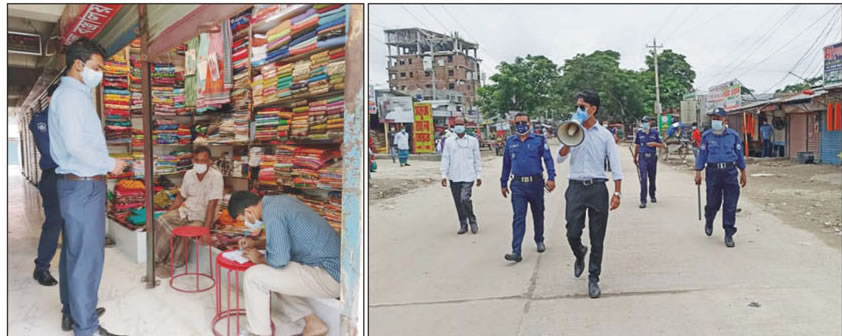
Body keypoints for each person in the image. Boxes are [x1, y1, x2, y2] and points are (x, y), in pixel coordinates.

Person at [49, 37, 127, 336]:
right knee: (88, 259)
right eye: (97, 67)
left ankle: (74, 313)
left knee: (75, 253)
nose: (100, 73)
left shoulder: (74, 95)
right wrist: (111, 164)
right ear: (79, 65)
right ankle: (87, 328)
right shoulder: (70, 98)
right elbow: (76, 146)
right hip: (82, 187)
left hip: (78, 186)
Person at [228, 191, 340, 336]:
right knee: (271, 273)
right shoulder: (278, 203)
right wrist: (255, 243)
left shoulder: (272, 212)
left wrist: (258, 258)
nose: (246, 224)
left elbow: (279, 260)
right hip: (331, 271)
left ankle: (258, 333)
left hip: (329, 276)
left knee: (254, 276)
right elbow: (282, 244)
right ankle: (314, 324)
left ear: (248, 211)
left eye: (243, 219)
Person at [556, 90, 623, 299]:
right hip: (576, 187)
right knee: (572, 231)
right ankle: (579, 252)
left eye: (582, 107)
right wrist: (571, 133)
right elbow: (560, 158)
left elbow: (615, 164)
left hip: (597, 188)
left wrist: (617, 192)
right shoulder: (571, 130)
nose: (579, 110)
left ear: (593, 109)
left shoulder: (604, 135)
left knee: (597, 236)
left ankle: (594, 277)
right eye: (577, 107)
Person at [152, 146, 223, 279]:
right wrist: (169, 212)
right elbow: (181, 197)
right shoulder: (189, 174)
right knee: (162, 220)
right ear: (193, 160)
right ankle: (157, 258)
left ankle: (172, 264)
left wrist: (206, 230)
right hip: (187, 210)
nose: (200, 163)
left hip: (203, 215)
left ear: (209, 161)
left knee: (187, 232)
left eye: (203, 161)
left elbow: (212, 205)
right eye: (197, 160)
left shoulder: (216, 177)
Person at [500, 112, 556, 262]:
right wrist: (503, 183)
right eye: (517, 123)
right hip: (518, 185)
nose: (520, 125)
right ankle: (516, 250)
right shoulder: (510, 142)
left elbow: (548, 159)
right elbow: (506, 164)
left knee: (538, 213)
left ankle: (539, 239)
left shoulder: (538, 140)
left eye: (523, 122)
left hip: (536, 184)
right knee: (518, 217)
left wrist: (551, 177)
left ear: (529, 123)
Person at [695, 107, 747, 248]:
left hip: (730, 172)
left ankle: (729, 233)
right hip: (713, 173)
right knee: (713, 203)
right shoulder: (706, 136)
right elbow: (702, 155)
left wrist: (743, 172)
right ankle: (709, 219)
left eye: (718, 118)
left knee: (730, 204)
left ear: (725, 120)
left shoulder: (733, 136)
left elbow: (739, 155)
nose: (715, 121)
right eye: (714, 118)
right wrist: (698, 172)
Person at [30, 83, 62, 287]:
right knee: (54, 223)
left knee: (73, 226)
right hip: (54, 178)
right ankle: (41, 268)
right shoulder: (40, 121)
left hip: (73, 178)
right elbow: (49, 151)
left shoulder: (69, 120)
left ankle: (71, 269)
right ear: (50, 99)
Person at [440, 117, 482, 235]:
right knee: (458, 201)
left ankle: (472, 221)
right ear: (454, 126)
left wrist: (479, 175)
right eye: (456, 124)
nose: (459, 126)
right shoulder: (449, 141)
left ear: (465, 125)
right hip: (454, 176)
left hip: (468, 175)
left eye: (461, 124)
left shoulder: (473, 141)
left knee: (464, 199)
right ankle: (463, 224)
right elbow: (445, 158)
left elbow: (477, 159)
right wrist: (444, 175)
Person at [633, 116, 664, 209]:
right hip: (642, 157)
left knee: (652, 177)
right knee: (643, 178)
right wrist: (635, 157)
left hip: (652, 157)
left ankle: (652, 194)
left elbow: (661, 144)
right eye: (643, 122)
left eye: (646, 122)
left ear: (650, 122)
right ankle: (643, 200)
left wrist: (654, 144)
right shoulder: (639, 133)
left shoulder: (655, 132)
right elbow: (637, 145)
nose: (644, 124)